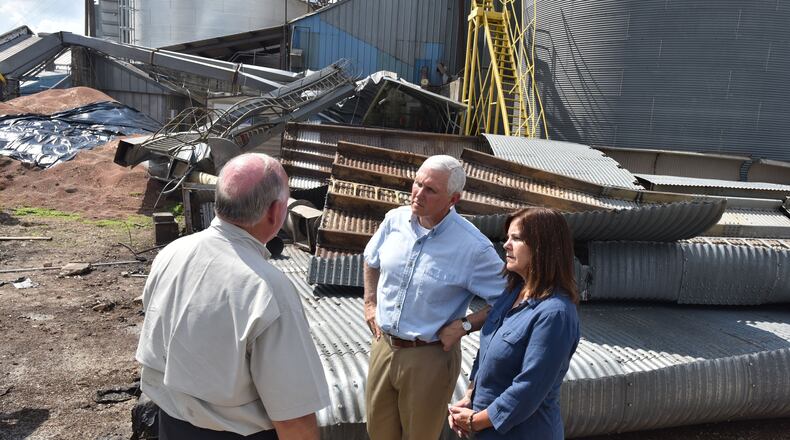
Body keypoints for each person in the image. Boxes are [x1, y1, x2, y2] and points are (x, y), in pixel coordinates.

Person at [136, 153, 330, 440]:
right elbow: (295, 419)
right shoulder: (268, 288)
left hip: (170, 425)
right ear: (275, 212)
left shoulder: (171, 254)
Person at [363, 155, 507, 440]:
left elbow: (508, 298)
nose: (418, 194)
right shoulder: (395, 220)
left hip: (428, 355)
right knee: (377, 432)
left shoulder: (473, 247)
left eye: (430, 190)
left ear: (453, 199)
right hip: (384, 346)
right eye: (417, 183)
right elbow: (371, 258)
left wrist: (465, 325)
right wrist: (370, 303)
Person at [448, 207, 581, 439]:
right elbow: (486, 352)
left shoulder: (555, 314)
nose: (506, 245)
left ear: (542, 248)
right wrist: (470, 397)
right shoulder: (512, 294)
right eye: (507, 237)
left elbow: (529, 388)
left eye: (516, 238)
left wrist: (474, 421)